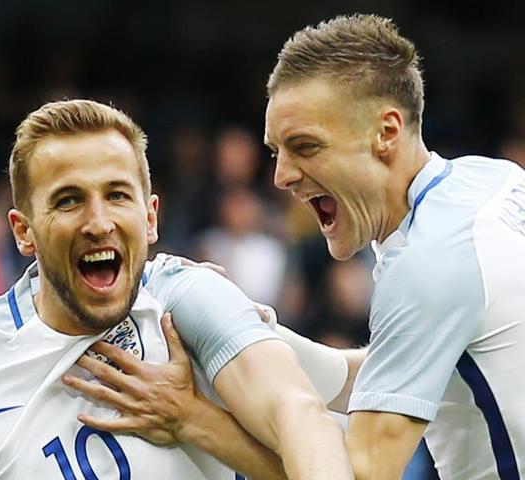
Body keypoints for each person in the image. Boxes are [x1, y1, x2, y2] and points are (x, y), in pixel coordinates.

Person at [75, 14, 525, 480]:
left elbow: (353, 474)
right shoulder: (490, 181)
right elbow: (402, 366)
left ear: (386, 132)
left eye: (305, 146)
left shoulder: (428, 260)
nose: (282, 175)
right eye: (276, 151)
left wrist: (191, 420)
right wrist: (252, 334)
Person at [0, 99, 353, 479]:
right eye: (68, 200)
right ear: (23, 232)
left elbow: (303, 411)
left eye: (116, 195)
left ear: (150, 217)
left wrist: (197, 422)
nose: (98, 222)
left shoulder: (185, 301)